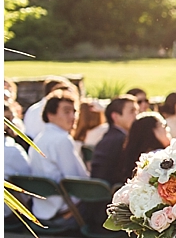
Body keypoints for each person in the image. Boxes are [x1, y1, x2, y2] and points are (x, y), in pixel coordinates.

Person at [27, 90, 89, 220]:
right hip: (63, 209)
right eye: (66, 112)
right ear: (50, 115)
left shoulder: (40, 137)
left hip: (40, 209)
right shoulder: (62, 139)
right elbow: (77, 180)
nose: (73, 117)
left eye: (74, 111)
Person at [89, 94, 139, 187]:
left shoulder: (109, 137)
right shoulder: (121, 140)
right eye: (132, 111)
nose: (136, 116)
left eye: (137, 111)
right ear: (115, 116)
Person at [116, 112, 171, 181]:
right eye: (164, 125)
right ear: (153, 130)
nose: (168, 129)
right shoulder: (160, 157)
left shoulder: (130, 156)